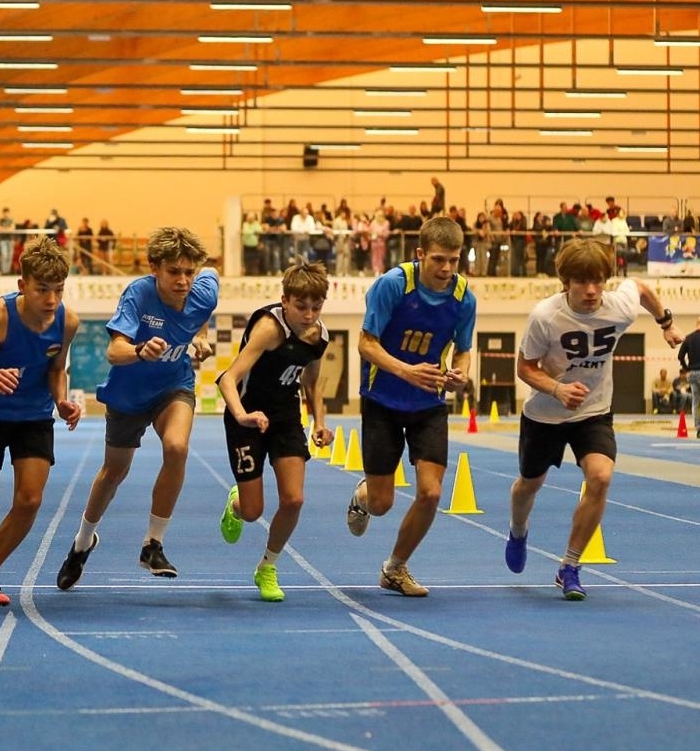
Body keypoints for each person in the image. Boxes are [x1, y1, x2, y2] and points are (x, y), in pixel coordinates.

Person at [504, 239, 682, 601]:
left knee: (600, 477)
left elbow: (642, 289)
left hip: (594, 411)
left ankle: (569, 566)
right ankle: (518, 530)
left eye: (599, 281)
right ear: (565, 281)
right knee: (528, 485)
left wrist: (665, 322)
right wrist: (556, 389)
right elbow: (524, 368)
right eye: (582, 282)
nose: (591, 291)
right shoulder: (545, 317)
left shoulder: (617, 305)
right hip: (546, 414)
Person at [57, 227, 219, 589]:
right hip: (128, 394)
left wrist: (202, 335)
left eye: (188, 272)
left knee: (176, 448)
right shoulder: (139, 294)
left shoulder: (203, 290)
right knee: (113, 473)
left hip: (173, 387)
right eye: (173, 272)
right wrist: (140, 351)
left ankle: (153, 544)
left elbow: (206, 300)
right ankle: (82, 543)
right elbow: (114, 352)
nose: (183, 280)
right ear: (154, 269)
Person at [343, 217, 475, 598]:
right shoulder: (393, 285)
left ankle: (395, 568)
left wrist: (461, 373)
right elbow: (366, 344)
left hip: (429, 404)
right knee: (383, 503)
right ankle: (364, 495)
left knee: (431, 493)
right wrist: (406, 371)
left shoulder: (464, 297)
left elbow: (463, 348)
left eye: (453, 259)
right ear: (420, 255)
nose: (446, 268)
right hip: (382, 400)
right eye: (438, 259)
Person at [0, 237, 83, 606]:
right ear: (22, 285)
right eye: (43, 290)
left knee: (30, 498)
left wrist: (61, 401)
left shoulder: (66, 321)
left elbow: (58, 369)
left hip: (34, 416)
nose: (52, 299)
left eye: (58, 290)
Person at [216, 262, 333, 603]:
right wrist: (243, 415)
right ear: (285, 301)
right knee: (253, 511)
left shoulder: (319, 337)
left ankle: (267, 566)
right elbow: (227, 379)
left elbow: (312, 383)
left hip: (284, 417)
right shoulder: (268, 329)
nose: (309, 315)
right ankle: (235, 505)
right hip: (246, 415)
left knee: (294, 499)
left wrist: (319, 423)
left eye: (316, 307)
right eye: (301, 307)